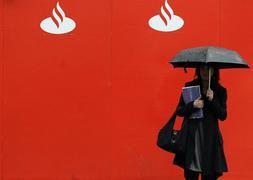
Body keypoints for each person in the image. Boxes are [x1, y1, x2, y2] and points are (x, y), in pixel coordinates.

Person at [172, 65, 228, 180]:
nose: (204, 71)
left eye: (208, 69)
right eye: (202, 68)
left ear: (213, 71)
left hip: (210, 140)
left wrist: (212, 101)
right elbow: (179, 111)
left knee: (209, 174)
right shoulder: (190, 87)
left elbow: (223, 115)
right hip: (192, 138)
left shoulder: (220, 90)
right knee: (191, 174)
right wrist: (193, 105)